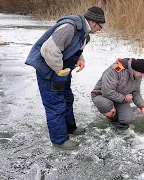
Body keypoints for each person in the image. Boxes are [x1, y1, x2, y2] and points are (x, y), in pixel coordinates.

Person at [25, 7, 105, 149]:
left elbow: (73, 49)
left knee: (67, 98)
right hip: (49, 70)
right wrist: (59, 70)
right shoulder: (69, 27)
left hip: (62, 70)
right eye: (100, 26)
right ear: (93, 22)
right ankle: (59, 140)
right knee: (56, 104)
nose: (101, 29)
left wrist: (80, 59)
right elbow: (48, 50)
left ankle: (70, 127)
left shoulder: (85, 34)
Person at [91, 58, 144, 130]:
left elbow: (136, 92)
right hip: (101, 95)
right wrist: (124, 99)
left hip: (119, 98)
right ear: (133, 69)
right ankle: (112, 117)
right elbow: (107, 91)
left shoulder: (137, 75)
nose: (142, 76)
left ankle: (116, 112)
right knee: (106, 106)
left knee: (128, 119)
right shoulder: (115, 70)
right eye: (141, 73)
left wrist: (143, 107)